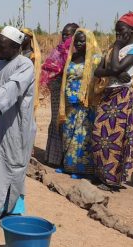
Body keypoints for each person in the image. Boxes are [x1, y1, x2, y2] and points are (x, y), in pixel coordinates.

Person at [0, 26, 36, 222]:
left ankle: (10, 208)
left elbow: (15, 86)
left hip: (16, 124)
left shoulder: (24, 64)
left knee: (12, 164)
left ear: (15, 46)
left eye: (2, 47)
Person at [91, 12, 133, 191]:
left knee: (116, 138)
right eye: (116, 33)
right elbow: (98, 72)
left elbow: (113, 67)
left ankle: (112, 180)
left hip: (122, 96)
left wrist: (115, 56)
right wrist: (115, 71)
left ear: (131, 30)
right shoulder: (112, 49)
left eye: (121, 31)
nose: (118, 35)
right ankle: (102, 174)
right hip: (108, 95)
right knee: (99, 135)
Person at [57, 29, 102, 178]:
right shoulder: (72, 57)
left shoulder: (95, 59)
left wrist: (85, 96)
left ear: (89, 41)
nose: (78, 44)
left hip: (85, 104)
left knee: (82, 135)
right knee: (68, 133)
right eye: (76, 41)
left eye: (82, 41)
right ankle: (68, 165)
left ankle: (82, 169)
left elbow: (97, 81)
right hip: (69, 103)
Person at [41, 23, 79, 167]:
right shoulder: (58, 50)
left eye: (68, 34)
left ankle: (67, 158)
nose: (64, 37)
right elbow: (48, 68)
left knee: (69, 122)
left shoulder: (78, 51)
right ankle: (54, 157)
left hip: (72, 91)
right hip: (57, 88)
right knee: (56, 119)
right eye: (63, 33)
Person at [20, 28, 42, 110]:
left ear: (30, 38)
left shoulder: (33, 55)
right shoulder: (18, 53)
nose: (21, 38)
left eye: (23, 36)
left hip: (28, 86)